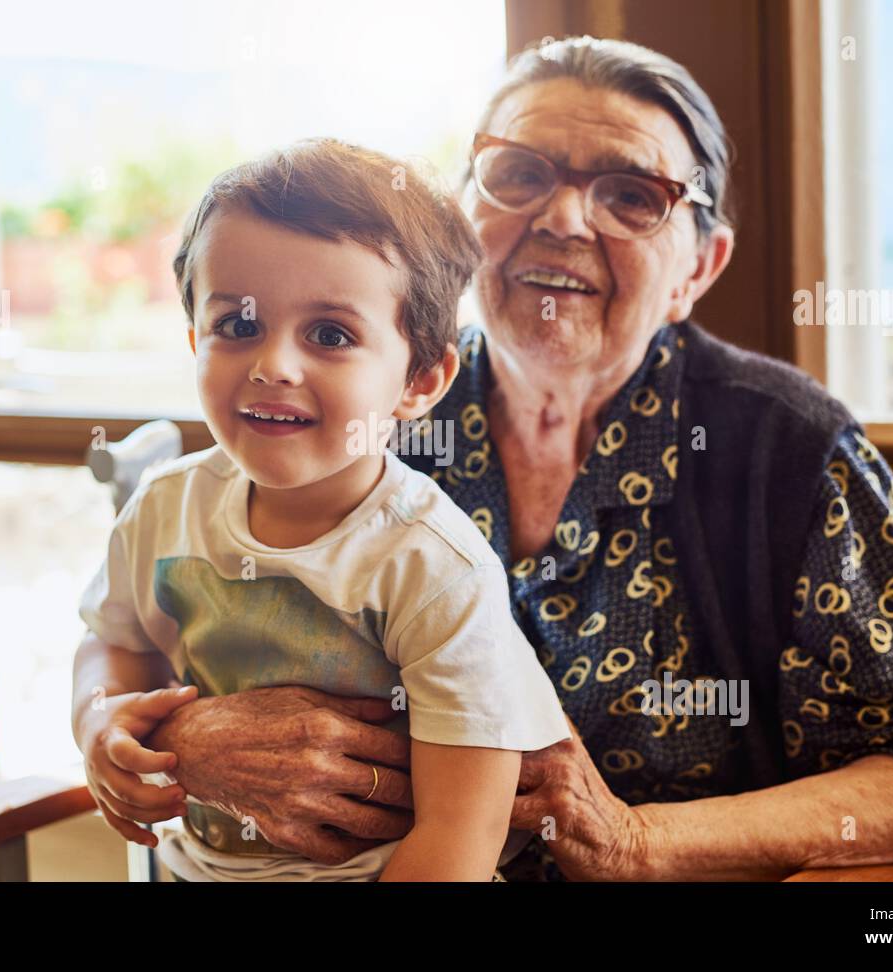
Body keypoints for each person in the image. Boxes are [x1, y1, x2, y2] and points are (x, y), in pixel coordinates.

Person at [79, 36, 893, 881]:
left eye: (631, 195)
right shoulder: (352, 401)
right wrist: (174, 738)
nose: (565, 218)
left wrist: (640, 842)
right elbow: (150, 638)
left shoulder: (780, 449)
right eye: (519, 174)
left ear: (699, 265)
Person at [73, 137, 571, 881]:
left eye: (330, 335)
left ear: (421, 380)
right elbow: (112, 643)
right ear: (193, 340)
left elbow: (457, 842)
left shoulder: (435, 567)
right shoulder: (163, 509)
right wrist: (99, 722)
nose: (274, 364)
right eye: (237, 326)